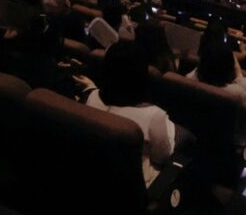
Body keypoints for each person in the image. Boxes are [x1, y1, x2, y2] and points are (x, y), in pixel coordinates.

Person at [76, 41, 183, 187]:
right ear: (142, 75)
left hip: (94, 177)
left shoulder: (91, 97)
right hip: (137, 189)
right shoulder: (154, 115)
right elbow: (162, 157)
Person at [187, 38, 246, 109]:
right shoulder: (237, 93)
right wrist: (238, 73)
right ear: (229, 67)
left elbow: (199, 69)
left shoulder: (190, 79)